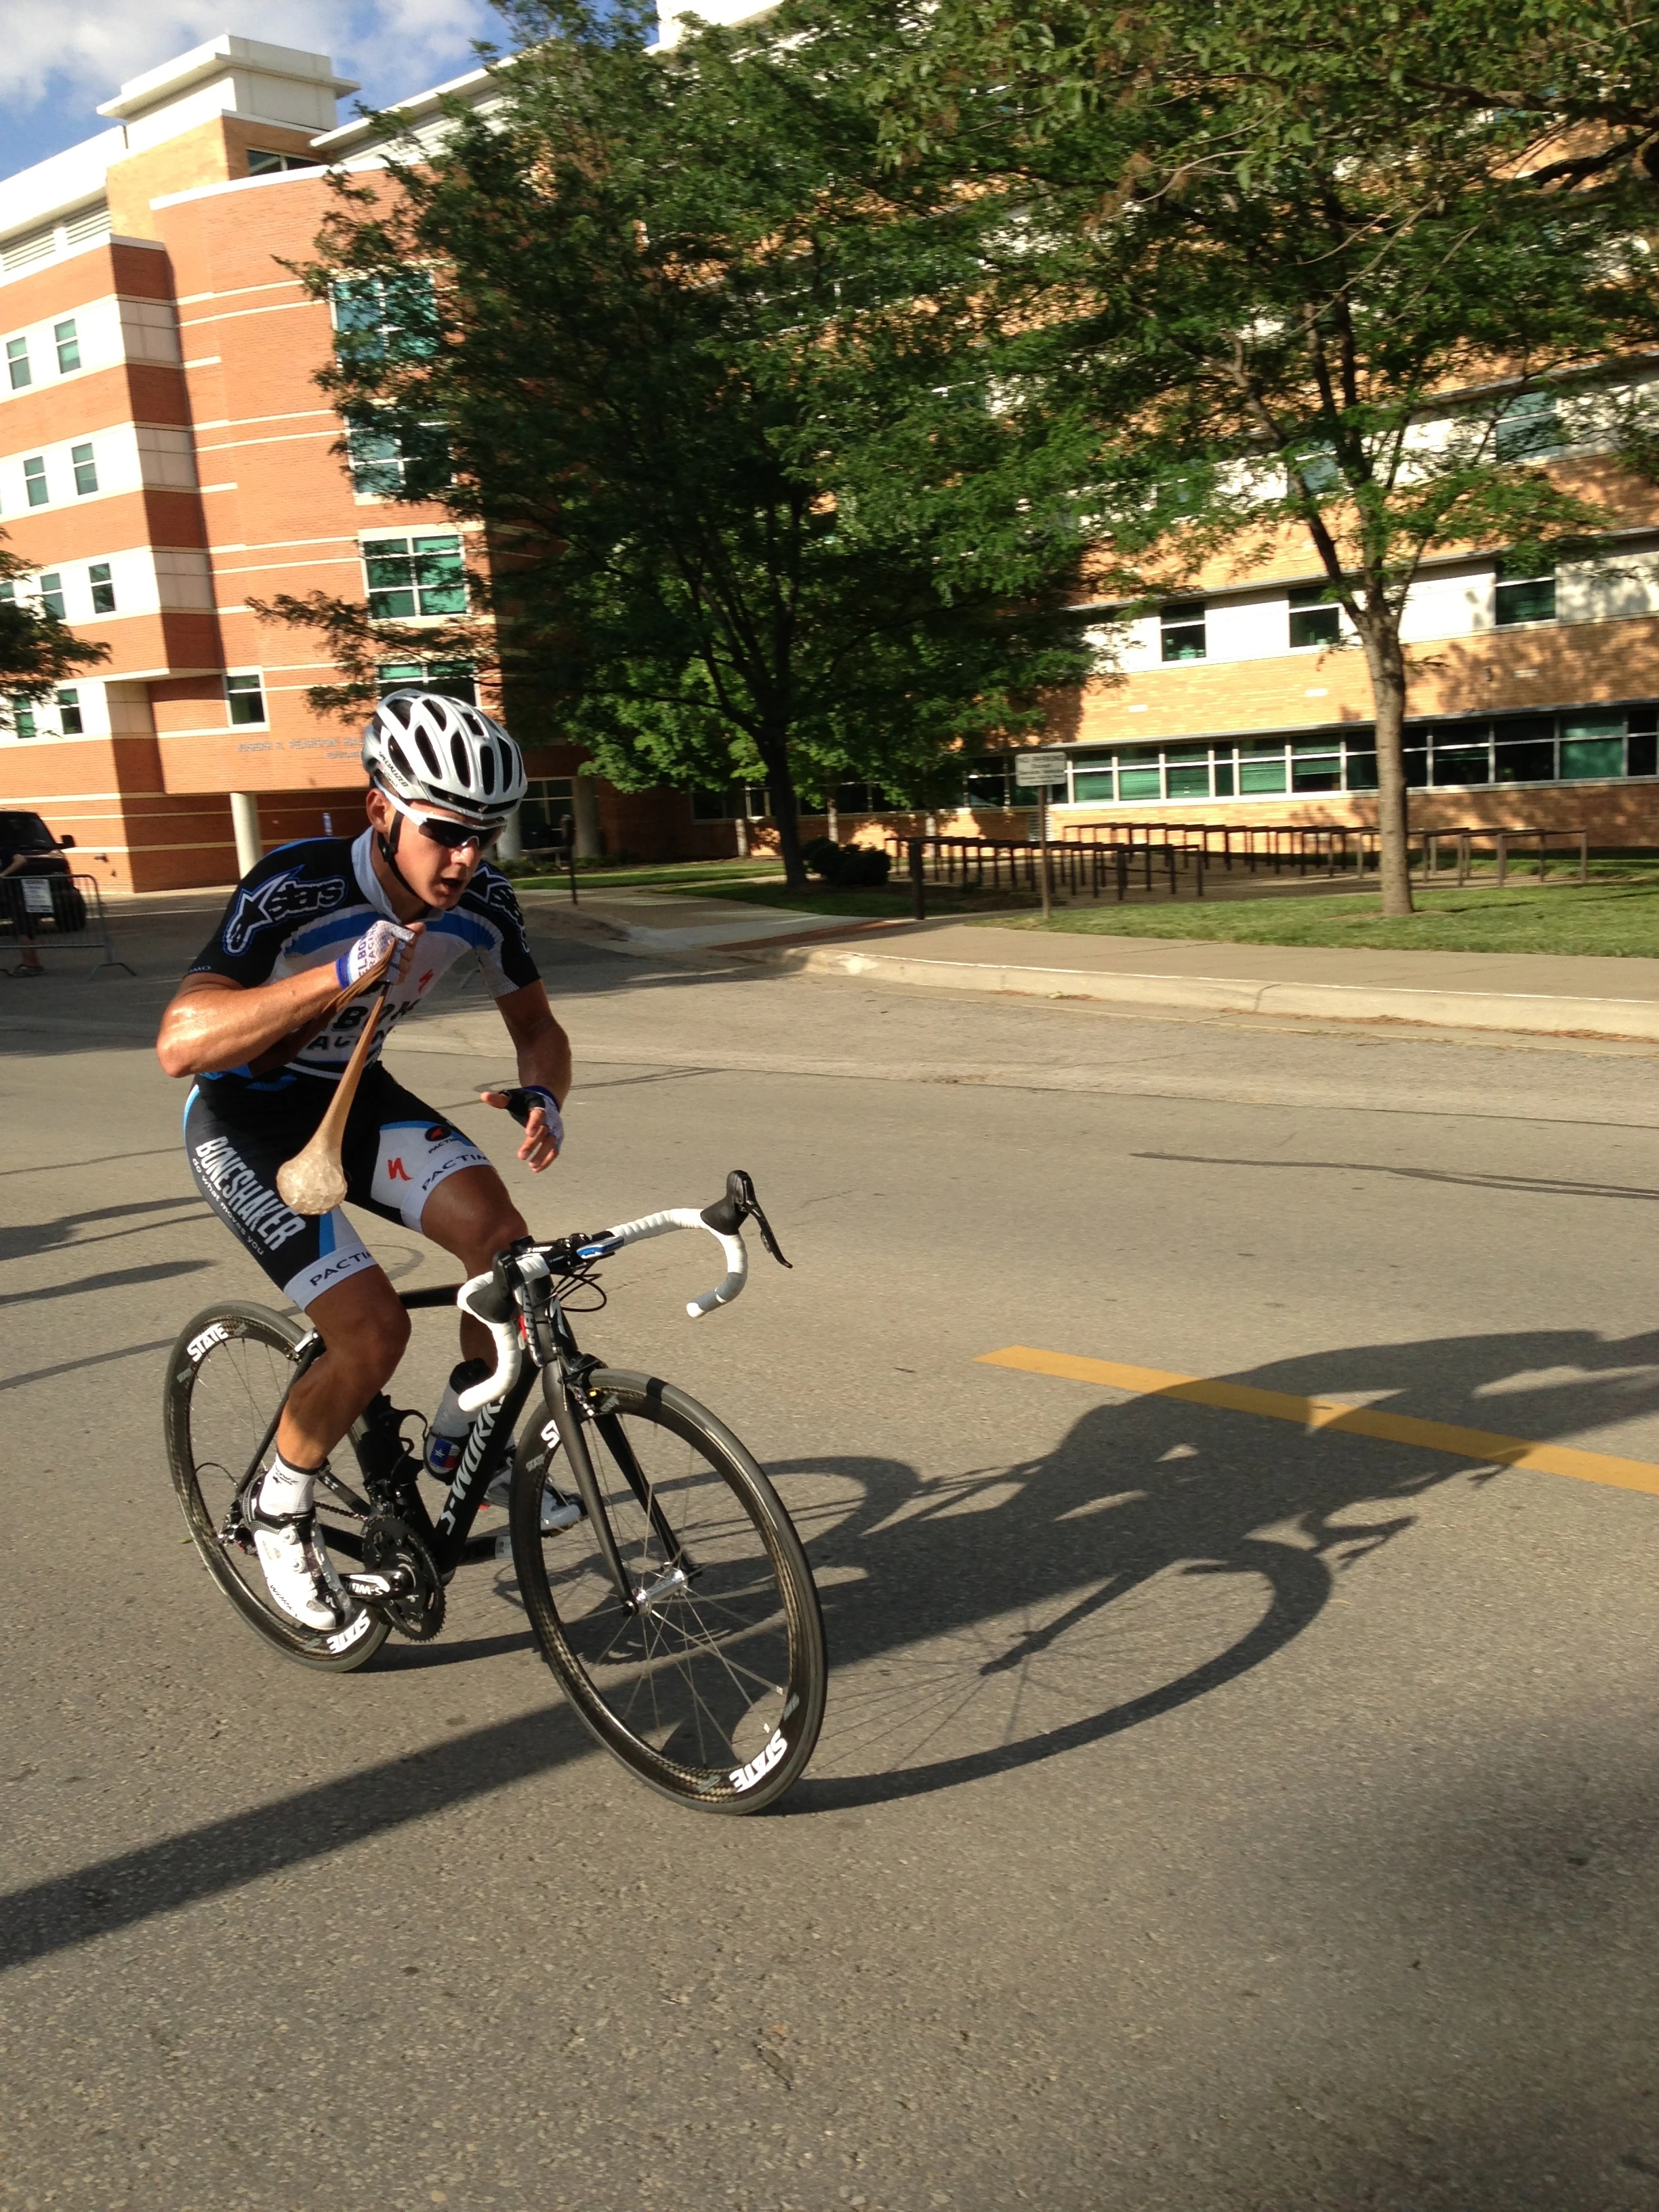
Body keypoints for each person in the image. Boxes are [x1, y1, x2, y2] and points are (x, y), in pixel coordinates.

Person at [156, 691, 573, 1631]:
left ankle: (469, 1447)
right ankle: (279, 1509)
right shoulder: (297, 887)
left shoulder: (485, 905)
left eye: (486, 836)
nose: (467, 859)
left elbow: (539, 1028)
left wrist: (544, 1092)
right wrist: (336, 975)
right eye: (446, 833)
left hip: (356, 1102)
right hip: (248, 1123)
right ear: (383, 810)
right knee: (372, 1333)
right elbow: (181, 1041)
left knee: (508, 1252)